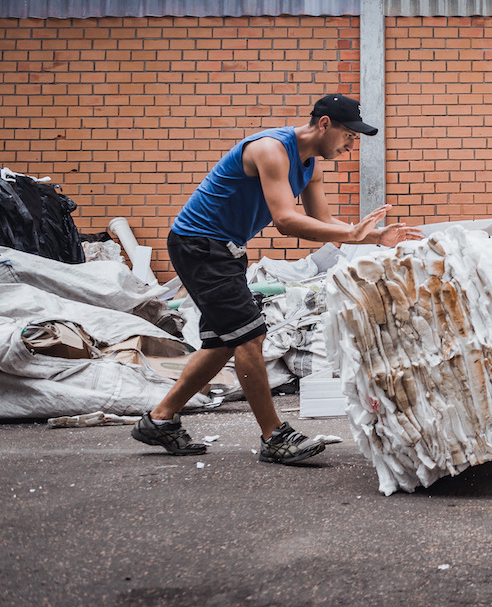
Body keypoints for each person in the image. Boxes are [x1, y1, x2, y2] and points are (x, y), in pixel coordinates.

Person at [132, 93, 422, 465]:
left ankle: (159, 419)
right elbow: (286, 221)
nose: (351, 146)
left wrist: (373, 236)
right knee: (250, 335)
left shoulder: (312, 166)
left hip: (224, 248)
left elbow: (322, 223)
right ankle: (274, 437)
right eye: (349, 135)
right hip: (199, 244)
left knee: (223, 341)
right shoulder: (270, 149)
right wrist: (353, 235)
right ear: (324, 124)